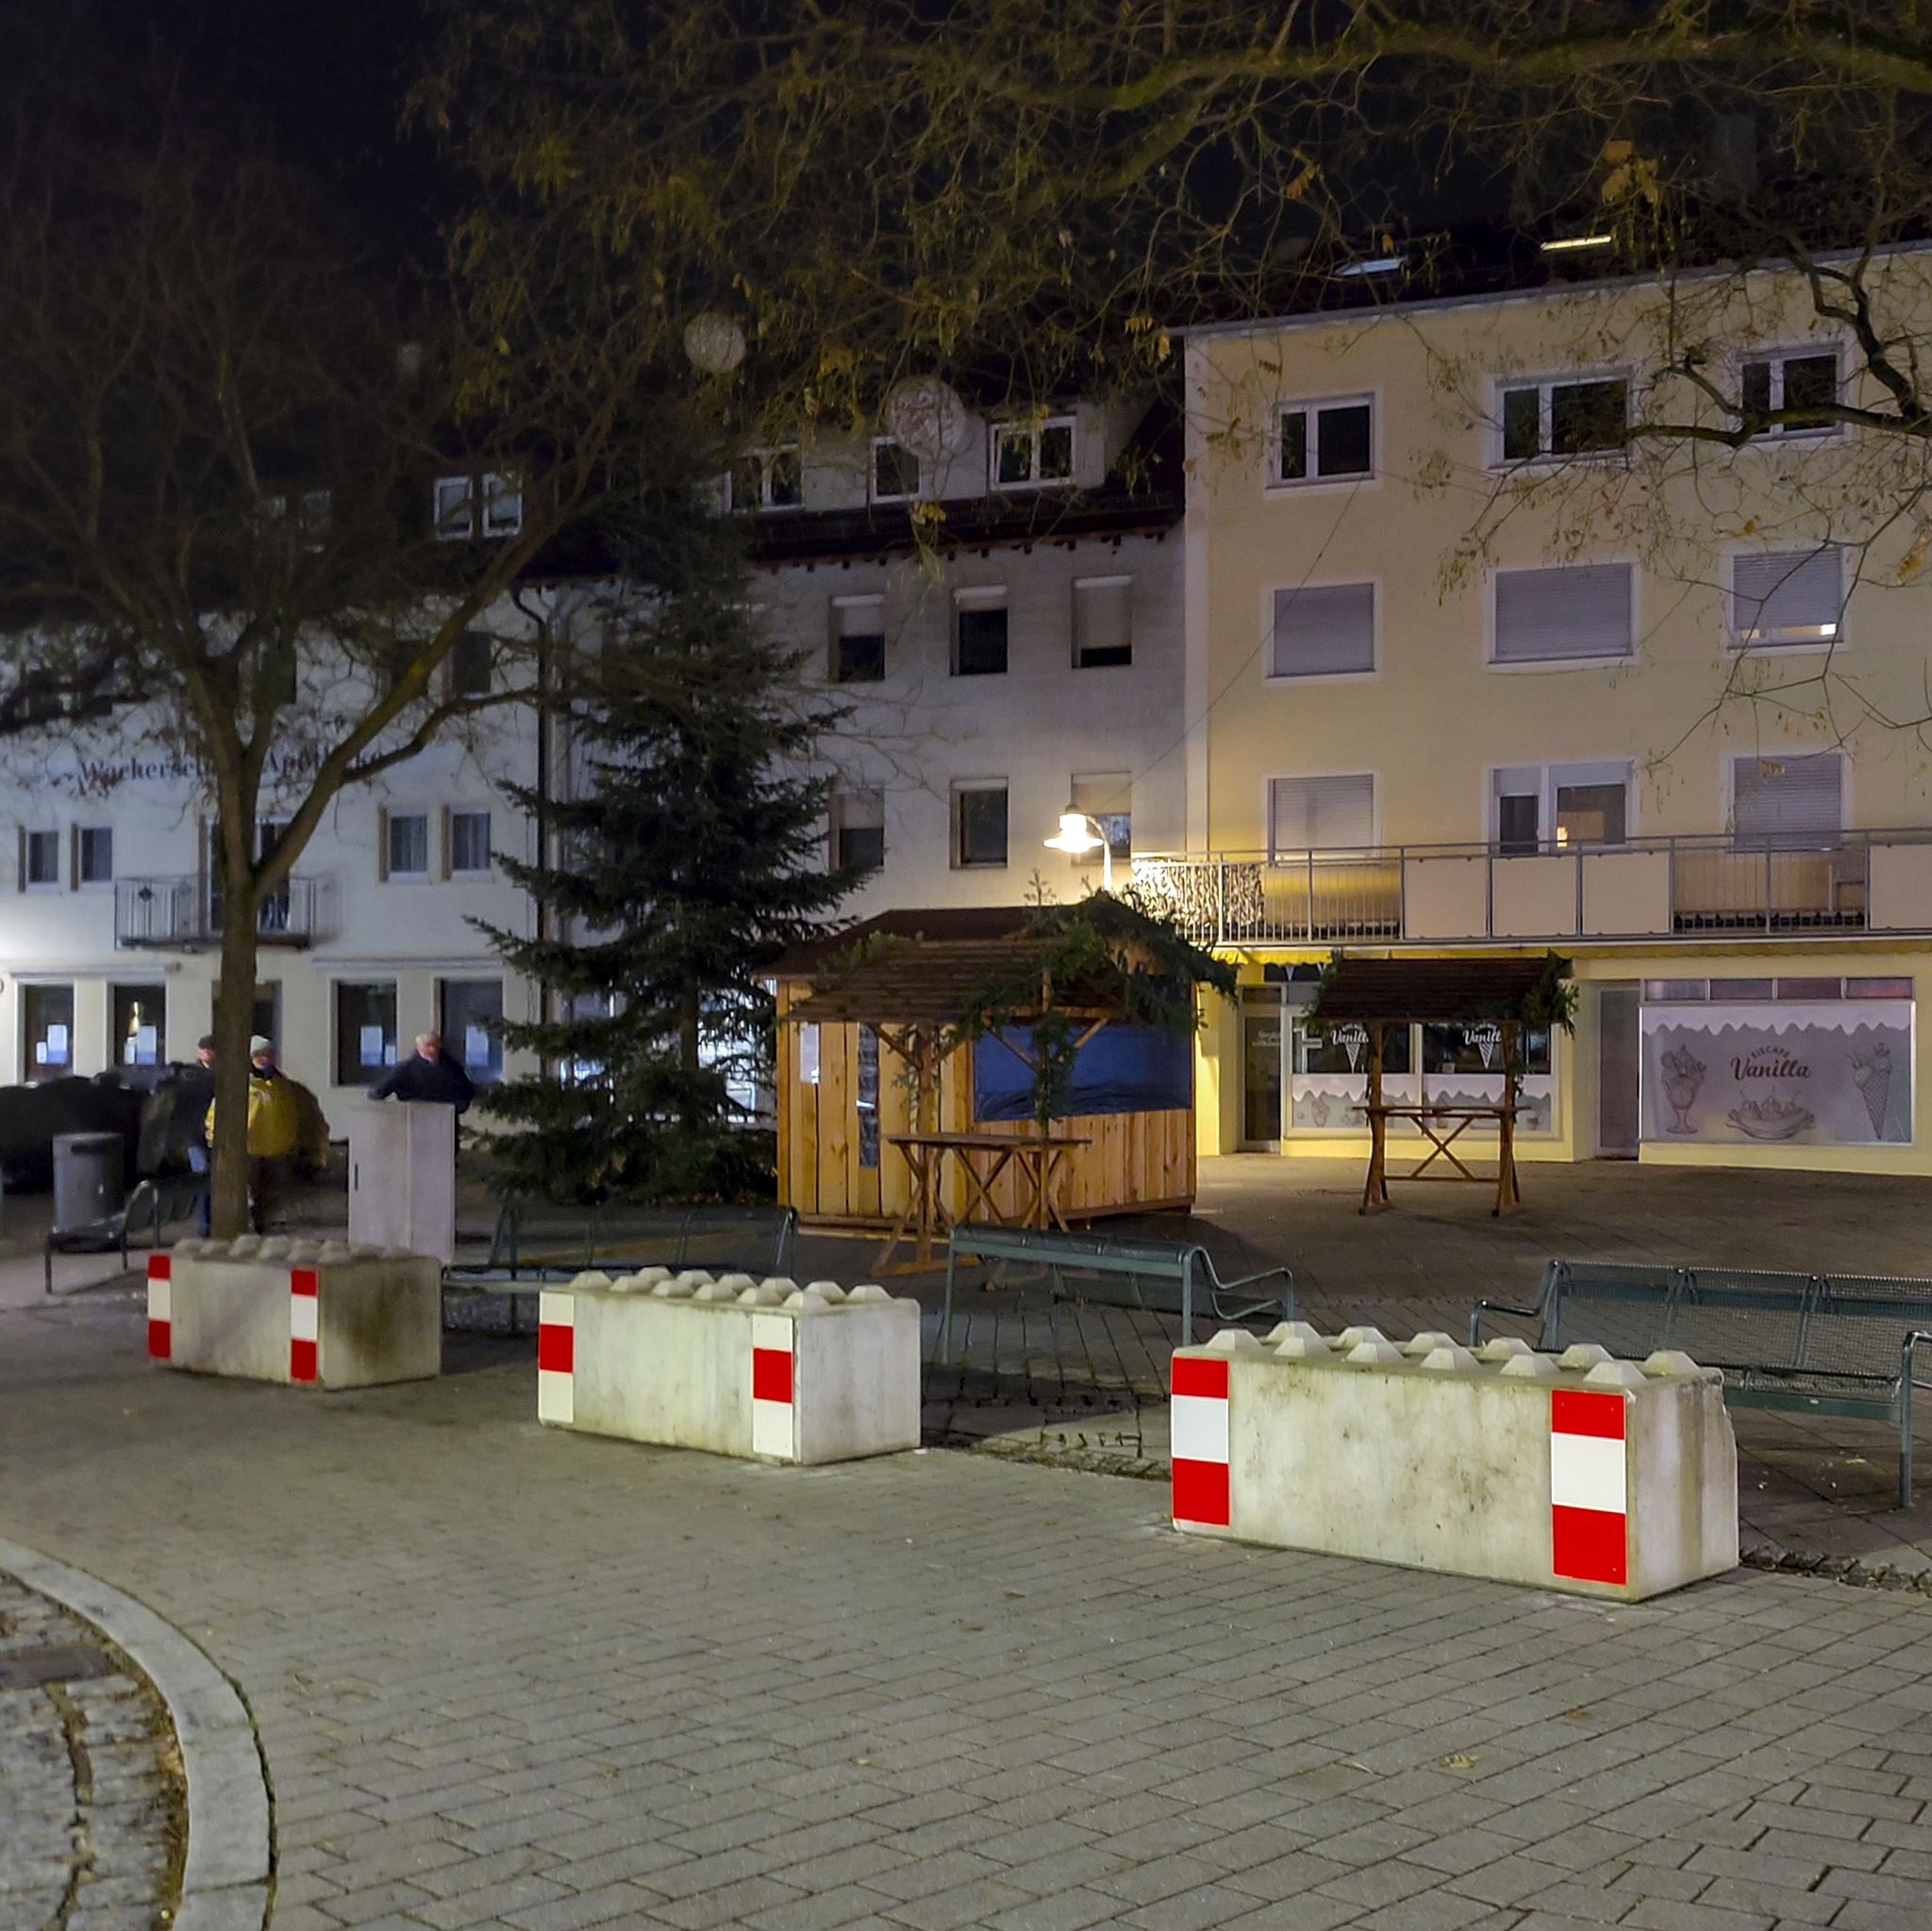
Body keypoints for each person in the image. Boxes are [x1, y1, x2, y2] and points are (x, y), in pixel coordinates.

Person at [206, 1036, 325, 1233]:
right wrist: (216, 1140)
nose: (264, 1059)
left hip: (278, 1151)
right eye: (258, 1054)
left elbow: (304, 1115)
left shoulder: (285, 1087)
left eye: (268, 1054)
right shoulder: (240, 1087)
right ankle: (251, 1224)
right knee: (250, 1192)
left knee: (273, 1193)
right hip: (249, 1151)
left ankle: (262, 1223)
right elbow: (218, 1115)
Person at [370, 1031, 475, 1115]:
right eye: (428, 1045)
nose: (432, 1049)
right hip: (413, 1120)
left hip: (446, 1122)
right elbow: (378, 1092)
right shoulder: (404, 1070)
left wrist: (454, 1110)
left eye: (435, 1045)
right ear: (418, 1048)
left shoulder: (454, 1069)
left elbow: (466, 1093)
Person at [180, 1035, 217, 1234]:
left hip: (209, 1135)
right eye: (205, 1049)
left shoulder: (216, 1074)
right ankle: (204, 1224)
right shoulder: (192, 1076)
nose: (208, 1053)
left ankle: (208, 1221)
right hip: (195, 1135)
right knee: (203, 1176)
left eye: (210, 1049)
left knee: (208, 1178)